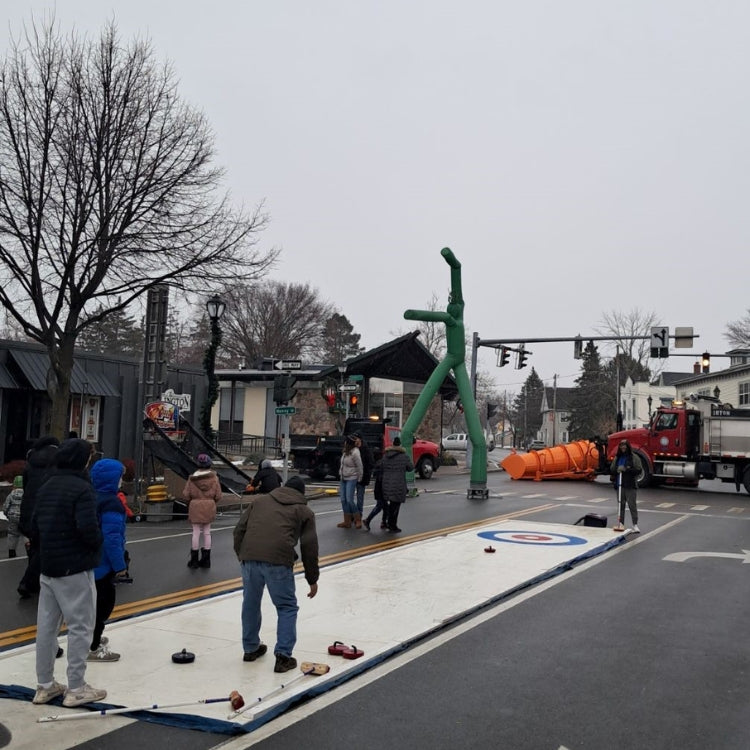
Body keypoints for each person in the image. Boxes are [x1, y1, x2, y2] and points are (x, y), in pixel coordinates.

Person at [31, 437, 106, 708]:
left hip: (49, 565)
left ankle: (45, 685)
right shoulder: (82, 488)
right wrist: (97, 543)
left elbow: (33, 524)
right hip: (75, 566)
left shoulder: (47, 484)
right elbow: (87, 528)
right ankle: (76, 687)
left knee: (46, 628)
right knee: (80, 627)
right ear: (82, 460)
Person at [233, 475, 319, 673]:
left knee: (251, 603)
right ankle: (283, 656)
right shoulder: (303, 511)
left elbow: (239, 531)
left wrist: (242, 555)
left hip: (250, 558)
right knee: (287, 606)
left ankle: (250, 648)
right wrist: (312, 579)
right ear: (301, 493)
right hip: (278, 561)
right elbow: (309, 547)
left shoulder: (259, 501)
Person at [88, 458, 129, 662]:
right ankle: (93, 647)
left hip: (89, 561)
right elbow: (112, 538)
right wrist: (120, 565)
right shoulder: (112, 503)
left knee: (90, 604)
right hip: (104, 564)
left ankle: (90, 639)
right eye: (120, 477)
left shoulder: (90, 497)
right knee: (103, 604)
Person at [17, 436, 60, 598]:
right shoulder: (59, 461)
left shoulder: (31, 461)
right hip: (47, 508)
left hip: (28, 509)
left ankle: (35, 581)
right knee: (43, 548)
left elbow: (26, 486)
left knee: (35, 546)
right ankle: (28, 581)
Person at [182, 453, 222, 569]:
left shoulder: (192, 478)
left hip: (195, 505)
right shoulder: (214, 478)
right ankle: (206, 560)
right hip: (209, 505)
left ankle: (194, 561)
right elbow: (218, 495)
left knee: (195, 532)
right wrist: (211, 501)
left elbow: (186, 495)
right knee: (207, 532)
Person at [381, 437, 414, 533]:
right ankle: (392, 525)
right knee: (395, 506)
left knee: (390, 505)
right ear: (400, 445)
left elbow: (381, 467)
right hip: (398, 484)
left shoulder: (386, 455)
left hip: (386, 483)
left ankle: (387, 522)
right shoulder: (404, 456)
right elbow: (410, 468)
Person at [610, 439, 642, 533]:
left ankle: (635, 524)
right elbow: (612, 469)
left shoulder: (634, 457)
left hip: (630, 485)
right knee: (621, 505)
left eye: (624, 446)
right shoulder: (617, 458)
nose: (623, 447)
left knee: (632, 505)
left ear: (628, 446)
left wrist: (626, 469)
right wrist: (617, 469)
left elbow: (638, 470)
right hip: (619, 485)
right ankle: (621, 523)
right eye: (621, 446)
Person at [337, 436, 363, 529]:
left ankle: (357, 519)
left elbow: (359, 466)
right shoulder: (345, 452)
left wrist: (359, 477)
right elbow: (342, 464)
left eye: (345, 442)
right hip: (343, 477)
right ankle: (347, 521)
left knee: (349, 499)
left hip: (352, 477)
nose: (344, 443)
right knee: (343, 500)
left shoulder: (355, 452)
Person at [352, 433, 374, 520]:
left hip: (363, 476)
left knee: (360, 496)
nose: (355, 440)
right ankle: (353, 513)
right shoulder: (353, 448)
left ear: (360, 439)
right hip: (353, 476)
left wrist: (366, 473)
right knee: (350, 497)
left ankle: (359, 514)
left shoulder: (366, 450)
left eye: (356, 438)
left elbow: (371, 463)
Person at [362, 448, 384, 531]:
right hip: (382, 488)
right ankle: (368, 520)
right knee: (381, 506)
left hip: (378, 488)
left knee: (382, 506)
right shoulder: (381, 463)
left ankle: (383, 522)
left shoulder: (376, 464)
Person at [3, 475, 24, 558]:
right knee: (26, 533)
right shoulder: (26, 493)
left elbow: (6, 506)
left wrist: (7, 514)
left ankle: (12, 552)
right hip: (23, 516)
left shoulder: (11, 495)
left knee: (12, 534)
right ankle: (29, 548)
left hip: (12, 516)